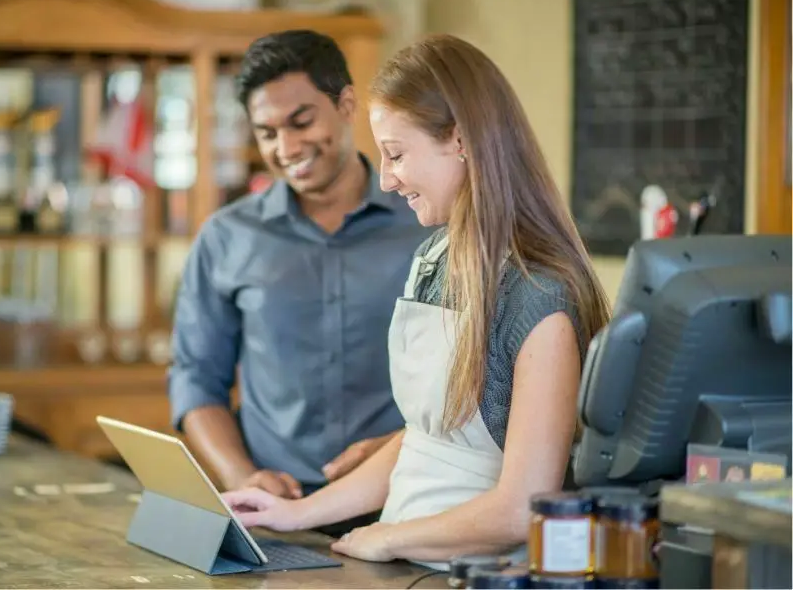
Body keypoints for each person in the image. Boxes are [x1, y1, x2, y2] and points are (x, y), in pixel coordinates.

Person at [221, 34, 612, 568]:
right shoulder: (435, 258)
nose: (386, 177)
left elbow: (522, 509)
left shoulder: (539, 296)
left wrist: (388, 537)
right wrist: (295, 513)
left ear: (460, 141)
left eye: (397, 154)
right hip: (405, 560)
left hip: (475, 572)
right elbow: (425, 442)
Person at [168, 30, 432, 535]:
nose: (286, 148)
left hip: (407, 506)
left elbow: (469, 378)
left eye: (301, 122)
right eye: (266, 133)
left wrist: (402, 447)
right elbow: (196, 379)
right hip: (275, 516)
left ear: (347, 103)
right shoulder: (226, 238)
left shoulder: (426, 224)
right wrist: (243, 479)